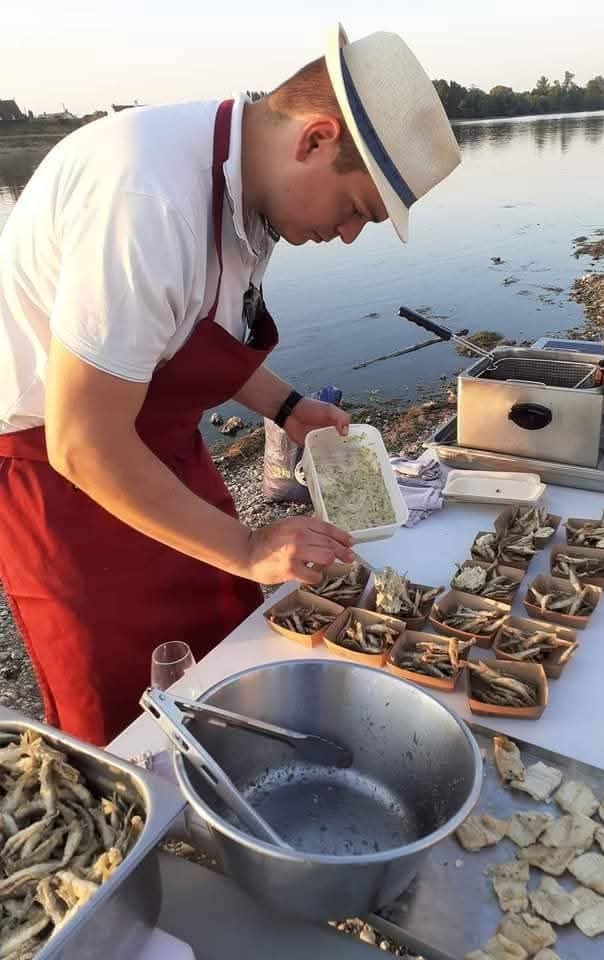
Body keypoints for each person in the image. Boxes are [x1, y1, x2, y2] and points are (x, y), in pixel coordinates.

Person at [0, 24, 461, 745]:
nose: (346, 237)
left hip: (154, 434)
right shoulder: (146, 198)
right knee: (117, 695)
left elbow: (201, 338)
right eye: (355, 211)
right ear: (316, 138)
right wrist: (247, 546)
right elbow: (83, 443)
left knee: (227, 628)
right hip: (54, 465)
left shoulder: (250, 193)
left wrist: (286, 405)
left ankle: (225, 782)